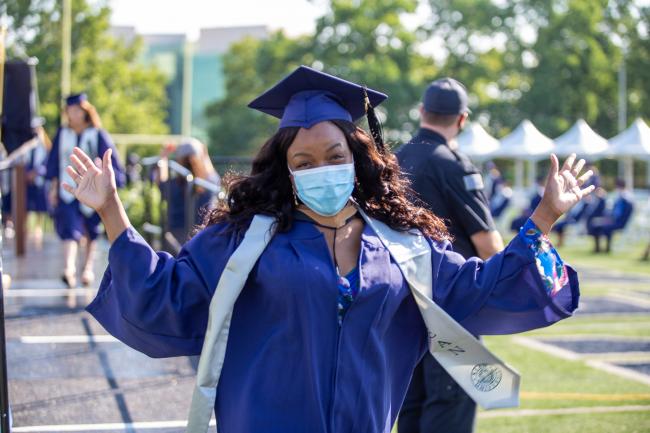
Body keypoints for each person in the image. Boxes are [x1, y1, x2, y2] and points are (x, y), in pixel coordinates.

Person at [64, 66, 592, 433]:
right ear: (286, 168)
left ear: (355, 157)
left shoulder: (402, 247)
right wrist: (112, 211)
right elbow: (165, 293)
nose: (321, 169)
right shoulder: (247, 240)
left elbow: (478, 289)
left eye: (333, 155)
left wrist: (543, 217)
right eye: (305, 162)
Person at [395, 77, 505, 433]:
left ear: (422, 112)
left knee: (410, 406)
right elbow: (488, 244)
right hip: (452, 307)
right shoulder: (453, 163)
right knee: (449, 408)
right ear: (463, 119)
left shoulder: (394, 160)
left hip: (401, 305)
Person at [45, 93, 125, 288]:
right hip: (68, 188)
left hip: (93, 189)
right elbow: (54, 162)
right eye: (70, 110)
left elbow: (111, 161)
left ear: (85, 110)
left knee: (91, 229)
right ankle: (69, 268)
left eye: (77, 110)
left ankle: (87, 269)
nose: (74, 114)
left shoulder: (97, 134)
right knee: (69, 228)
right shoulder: (63, 134)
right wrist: (54, 189)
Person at [162, 138, 221, 247]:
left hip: (175, 240)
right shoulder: (208, 184)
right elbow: (213, 175)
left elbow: (161, 181)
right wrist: (204, 155)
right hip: (202, 238)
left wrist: (164, 156)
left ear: (179, 160)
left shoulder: (173, 185)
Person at [587, 179, 634, 253]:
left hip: (619, 222)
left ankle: (606, 248)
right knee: (595, 223)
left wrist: (609, 218)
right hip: (615, 220)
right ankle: (598, 248)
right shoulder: (623, 196)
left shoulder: (624, 198)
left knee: (604, 226)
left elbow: (618, 214)